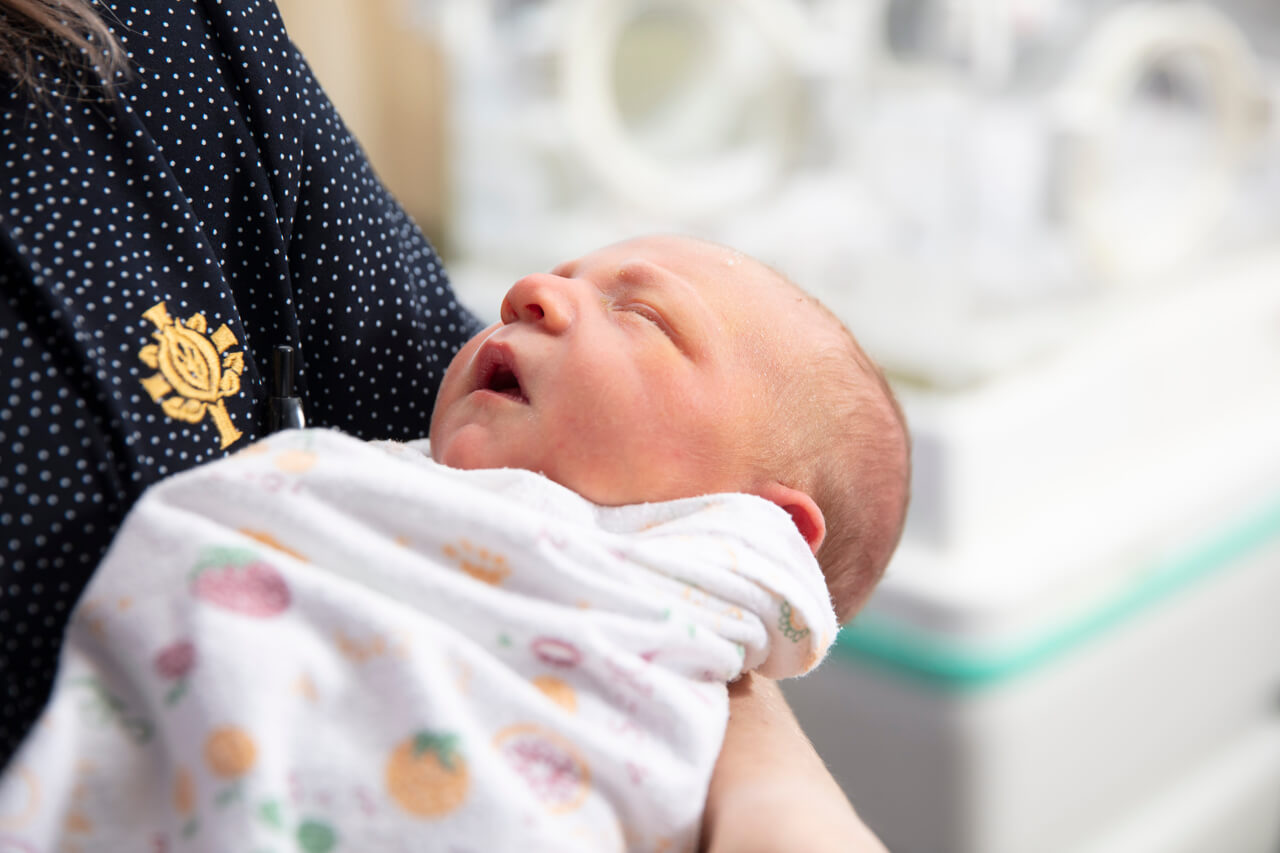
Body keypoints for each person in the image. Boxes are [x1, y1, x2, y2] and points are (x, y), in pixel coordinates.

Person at [0, 2, 893, 850]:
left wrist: (783, 802)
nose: (529, 294)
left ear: (764, 533)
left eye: (645, 318)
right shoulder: (403, 484)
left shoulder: (174, 33)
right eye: (563, 276)